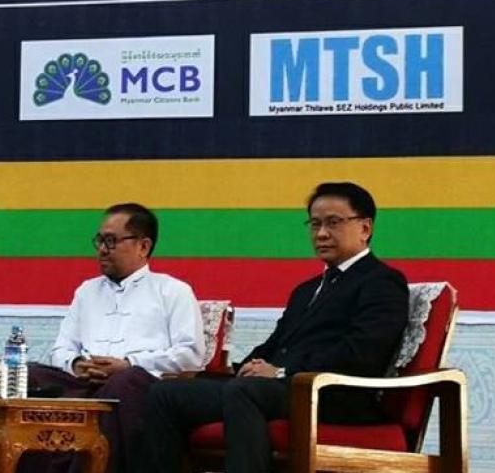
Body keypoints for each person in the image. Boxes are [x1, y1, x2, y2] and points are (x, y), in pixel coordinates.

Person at [139, 182, 409, 473]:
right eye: (315, 224)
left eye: (333, 223)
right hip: (278, 390)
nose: (321, 234)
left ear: (365, 228)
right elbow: (277, 342)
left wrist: (281, 371)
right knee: (165, 394)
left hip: (333, 395)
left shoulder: (381, 281)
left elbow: (362, 353)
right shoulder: (306, 289)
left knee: (245, 392)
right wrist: (250, 365)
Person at [25, 203, 205, 473]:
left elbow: (190, 354)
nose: (102, 249)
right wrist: (77, 364)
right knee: (31, 375)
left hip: (139, 387)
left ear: (143, 246)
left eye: (111, 241)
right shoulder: (87, 291)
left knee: (124, 382)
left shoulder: (172, 291)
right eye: (99, 240)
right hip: (84, 384)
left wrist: (129, 364)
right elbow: (61, 348)